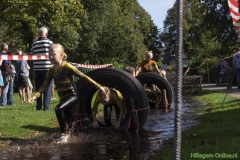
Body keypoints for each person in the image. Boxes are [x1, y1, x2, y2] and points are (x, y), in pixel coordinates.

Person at [30, 43, 106, 143]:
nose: (51, 57)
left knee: (58, 109)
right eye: (49, 54)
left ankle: (63, 134)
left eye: (54, 54)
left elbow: (83, 76)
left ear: (61, 55)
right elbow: (44, 85)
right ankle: (74, 136)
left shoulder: (67, 66)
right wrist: (35, 96)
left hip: (73, 96)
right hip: (63, 98)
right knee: (69, 118)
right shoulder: (51, 70)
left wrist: (98, 86)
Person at [30, 26, 54, 110]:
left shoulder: (34, 44)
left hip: (37, 69)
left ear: (39, 34)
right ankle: (46, 106)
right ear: (46, 34)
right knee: (47, 87)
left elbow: (31, 57)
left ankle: (38, 106)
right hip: (48, 68)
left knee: (38, 87)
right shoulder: (50, 43)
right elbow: (53, 55)